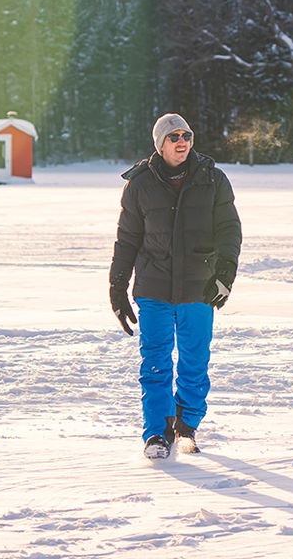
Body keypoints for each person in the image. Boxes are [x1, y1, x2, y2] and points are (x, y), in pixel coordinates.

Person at [109, 113, 242, 460]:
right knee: (154, 361)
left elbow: (229, 230)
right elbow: (127, 240)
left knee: (195, 362)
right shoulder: (139, 185)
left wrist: (224, 275)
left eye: (186, 135)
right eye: (174, 137)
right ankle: (156, 433)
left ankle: (186, 428)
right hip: (153, 286)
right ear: (160, 144)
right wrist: (118, 287)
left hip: (199, 287)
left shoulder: (213, 180)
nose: (182, 141)